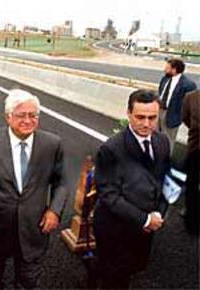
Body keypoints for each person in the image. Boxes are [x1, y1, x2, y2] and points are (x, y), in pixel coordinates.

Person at [0, 89, 67, 289]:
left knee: (28, 282)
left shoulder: (52, 144)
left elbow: (61, 182)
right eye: (21, 115)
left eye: (33, 115)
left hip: (34, 228)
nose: (28, 120)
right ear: (8, 117)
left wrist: (54, 210)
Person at [94, 90, 171, 289]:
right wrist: (144, 219)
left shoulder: (162, 142)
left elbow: (164, 182)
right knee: (114, 279)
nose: (146, 124)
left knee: (135, 267)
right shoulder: (111, 149)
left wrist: (158, 215)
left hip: (146, 227)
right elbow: (109, 195)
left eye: (152, 117)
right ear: (128, 114)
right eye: (140, 117)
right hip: (115, 229)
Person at [158, 59, 197, 152]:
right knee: (156, 137)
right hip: (159, 112)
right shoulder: (165, 78)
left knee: (168, 141)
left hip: (172, 116)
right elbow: (160, 93)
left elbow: (190, 105)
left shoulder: (188, 85)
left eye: (167, 68)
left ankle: (165, 160)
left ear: (174, 70)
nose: (164, 70)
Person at [182, 90, 199, 235]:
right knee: (192, 184)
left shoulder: (192, 97)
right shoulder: (191, 97)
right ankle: (191, 221)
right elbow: (185, 118)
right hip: (196, 148)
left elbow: (186, 119)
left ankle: (191, 221)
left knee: (192, 185)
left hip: (195, 146)